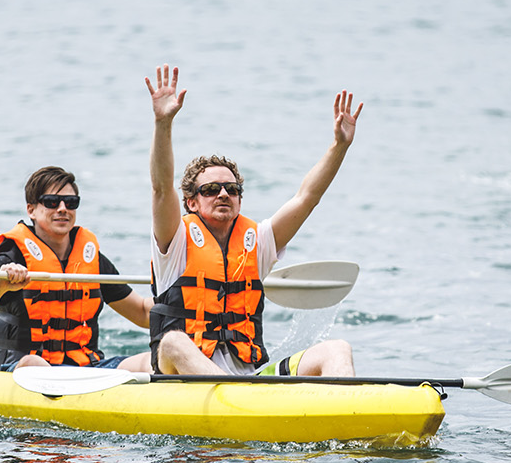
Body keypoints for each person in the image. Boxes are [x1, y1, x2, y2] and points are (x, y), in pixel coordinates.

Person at [146, 64, 360, 377]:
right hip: (183, 377)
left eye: (231, 189)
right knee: (173, 342)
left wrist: (339, 147)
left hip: (251, 379)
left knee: (338, 349)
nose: (222, 194)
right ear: (191, 202)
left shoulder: (257, 242)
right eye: (210, 189)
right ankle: (234, 403)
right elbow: (161, 188)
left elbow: (307, 197)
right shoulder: (174, 241)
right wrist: (162, 124)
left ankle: (348, 413)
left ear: (240, 198)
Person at [0, 166, 152, 372]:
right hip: (22, 366)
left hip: (86, 366)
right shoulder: (13, 257)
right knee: (34, 364)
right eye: (51, 202)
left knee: (151, 361)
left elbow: (142, 313)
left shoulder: (92, 260)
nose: (63, 208)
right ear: (31, 210)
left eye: (71, 203)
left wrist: (181, 292)